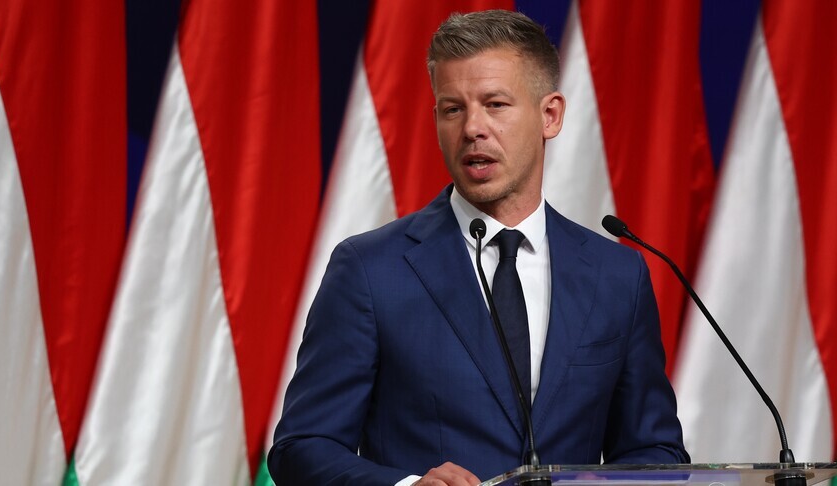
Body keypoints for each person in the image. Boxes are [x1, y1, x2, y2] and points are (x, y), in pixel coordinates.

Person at [268, 9, 689, 485]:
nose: (472, 128)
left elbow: (653, 448)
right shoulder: (370, 270)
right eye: (453, 109)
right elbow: (302, 447)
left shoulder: (617, 275)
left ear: (550, 115)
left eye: (495, 104)